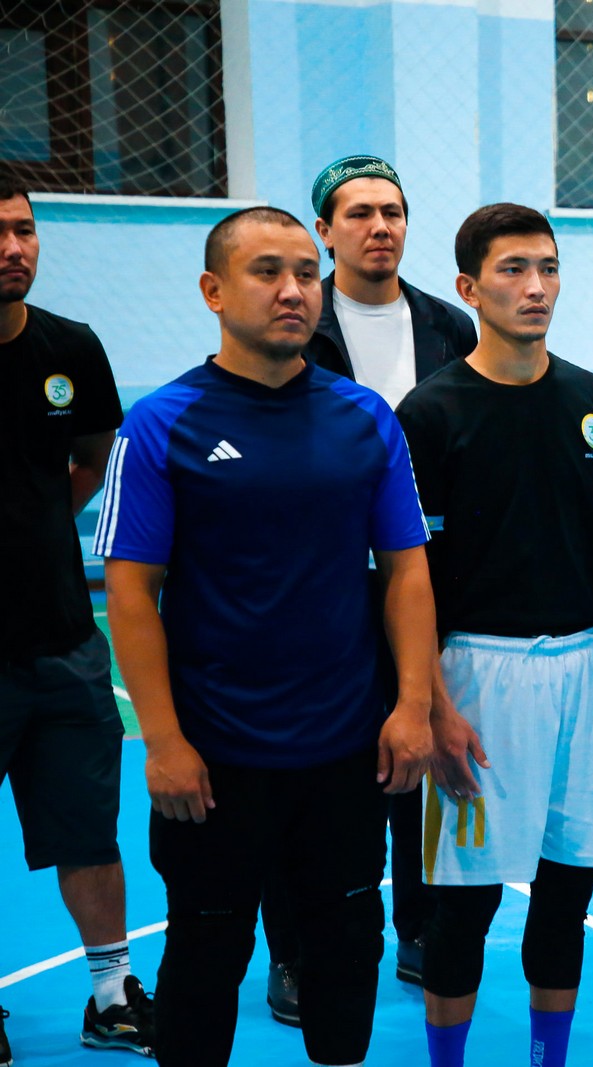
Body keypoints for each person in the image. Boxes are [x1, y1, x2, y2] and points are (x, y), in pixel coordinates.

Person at [96, 206, 437, 1066]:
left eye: (306, 273)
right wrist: (163, 741)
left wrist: (412, 706)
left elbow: (406, 571)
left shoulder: (366, 417)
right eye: (267, 272)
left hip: (346, 751)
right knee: (206, 955)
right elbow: (131, 594)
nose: (293, 290)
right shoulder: (162, 422)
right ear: (213, 291)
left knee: (346, 953)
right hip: (213, 760)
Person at [398, 203, 593, 1067]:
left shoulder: (590, 399)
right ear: (468, 288)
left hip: (581, 665)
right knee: (464, 905)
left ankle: (549, 1060)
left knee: (566, 895)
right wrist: (431, 702)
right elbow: (409, 576)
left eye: (548, 267)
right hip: (477, 673)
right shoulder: (430, 411)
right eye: (513, 269)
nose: (536, 286)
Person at [252, 156, 477, 1025]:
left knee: (419, 753)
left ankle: (419, 925)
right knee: (309, 774)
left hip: (424, 575)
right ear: (325, 230)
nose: (380, 227)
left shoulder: (449, 325)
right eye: (358, 213)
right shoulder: (296, 326)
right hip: (323, 584)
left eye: (393, 211)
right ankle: (295, 950)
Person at [0, 174, 156, 1059]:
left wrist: (33, 522)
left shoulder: (71, 347)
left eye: (23, 230)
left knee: (90, 830)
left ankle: (111, 994)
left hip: (63, 643)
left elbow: (94, 456)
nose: (12, 248)